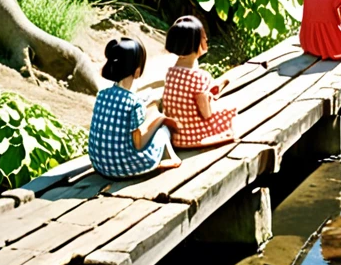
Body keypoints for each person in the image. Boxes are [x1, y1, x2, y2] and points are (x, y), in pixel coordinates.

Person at [88, 37, 181, 178]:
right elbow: (138, 143)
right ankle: (173, 159)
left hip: (100, 164)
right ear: (137, 71)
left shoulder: (102, 95)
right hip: (124, 167)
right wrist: (158, 120)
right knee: (162, 130)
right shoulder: (133, 103)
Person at [162, 15, 238, 149]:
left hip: (177, 135)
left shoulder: (170, 73)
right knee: (231, 109)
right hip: (193, 137)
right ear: (195, 43)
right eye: (203, 37)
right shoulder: (199, 76)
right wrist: (209, 98)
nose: (206, 39)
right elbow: (206, 113)